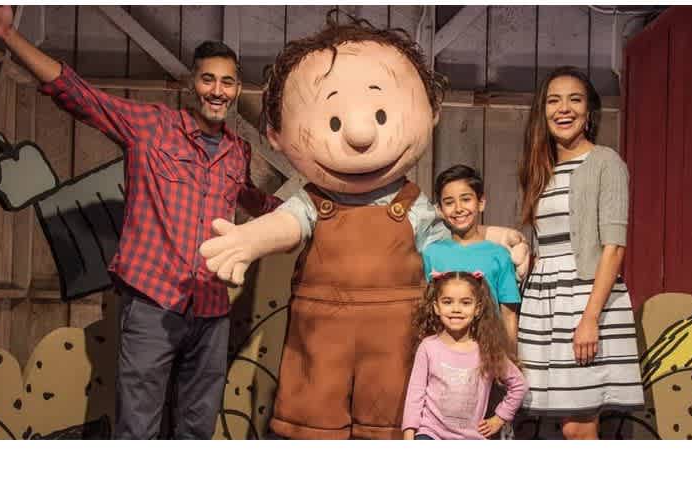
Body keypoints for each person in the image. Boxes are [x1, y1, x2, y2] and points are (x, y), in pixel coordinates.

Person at [199, 14, 530, 439]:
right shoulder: (313, 201)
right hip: (319, 339)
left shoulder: (412, 204)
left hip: (396, 340)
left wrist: (497, 238)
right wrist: (249, 238)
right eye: (334, 121)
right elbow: (286, 223)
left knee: (391, 419)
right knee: (314, 420)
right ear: (276, 135)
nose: (359, 134)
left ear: (430, 113)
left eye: (378, 113)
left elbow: (447, 244)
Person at [0, 6, 282, 439]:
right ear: (193, 82)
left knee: (197, 429)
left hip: (211, 308)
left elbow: (260, 203)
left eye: (227, 82)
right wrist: (7, 34)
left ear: (237, 88)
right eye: (208, 79)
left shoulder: (238, 153)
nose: (217, 90)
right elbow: (76, 94)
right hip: (153, 302)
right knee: (137, 430)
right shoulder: (152, 126)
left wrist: (319, 209)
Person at [516, 66, 645, 440]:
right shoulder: (540, 169)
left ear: (589, 112)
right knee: (558, 423)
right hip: (544, 304)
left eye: (575, 99)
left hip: (584, 301)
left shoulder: (605, 162)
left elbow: (614, 246)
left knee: (577, 426)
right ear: (543, 111)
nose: (563, 108)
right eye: (554, 100)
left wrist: (590, 317)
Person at [402, 271, 526, 440]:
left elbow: (519, 385)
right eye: (447, 302)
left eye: (465, 303)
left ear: (478, 309)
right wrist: (409, 433)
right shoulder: (428, 347)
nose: (456, 309)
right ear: (436, 307)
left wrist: (499, 418)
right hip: (430, 433)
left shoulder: (487, 350)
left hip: (471, 437)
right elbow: (415, 395)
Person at [422, 165, 521, 350]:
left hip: (488, 353)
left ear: (481, 202)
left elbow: (508, 315)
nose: (458, 208)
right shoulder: (431, 253)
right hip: (444, 355)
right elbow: (427, 309)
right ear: (440, 209)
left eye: (466, 199)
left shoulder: (499, 255)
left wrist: (510, 358)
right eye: (449, 202)